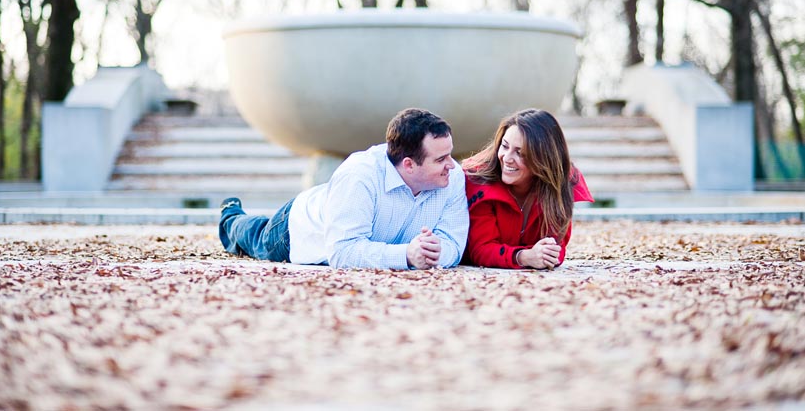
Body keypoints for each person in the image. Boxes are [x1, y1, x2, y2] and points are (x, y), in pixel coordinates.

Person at [218, 108, 469, 270]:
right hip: (298, 228)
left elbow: (453, 243)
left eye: (449, 155)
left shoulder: (453, 177)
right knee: (253, 236)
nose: (451, 165)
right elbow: (343, 251)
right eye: (440, 160)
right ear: (409, 165)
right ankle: (231, 216)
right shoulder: (360, 175)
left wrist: (435, 253)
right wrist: (406, 255)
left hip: (336, 207)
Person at [462, 108, 593, 269]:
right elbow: (481, 249)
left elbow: (556, 250)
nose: (507, 158)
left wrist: (547, 255)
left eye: (520, 153)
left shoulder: (561, 184)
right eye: (504, 146)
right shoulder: (478, 179)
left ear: (543, 159)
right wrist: (524, 257)